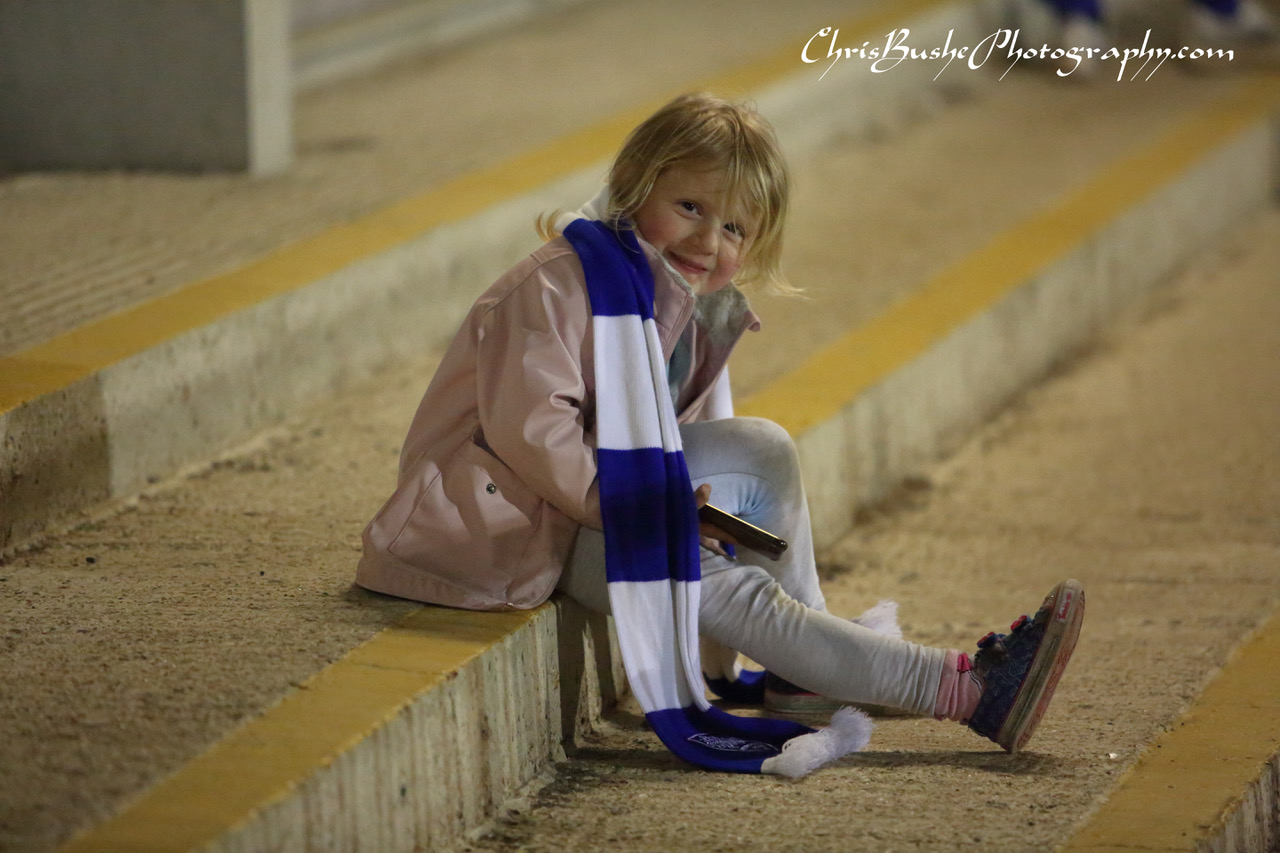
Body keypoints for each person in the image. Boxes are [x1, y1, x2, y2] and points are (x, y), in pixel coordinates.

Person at [356, 92, 1084, 773]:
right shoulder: (555, 287)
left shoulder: (690, 304)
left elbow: (677, 436)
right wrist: (649, 511)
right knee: (712, 580)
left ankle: (804, 670)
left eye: (734, 226)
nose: (708, 239)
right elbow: (532, 434)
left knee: (762, 447)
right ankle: (964, 688)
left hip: (584, 505)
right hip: (504, 524)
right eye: (690, 206)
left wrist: (701, 505)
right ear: (636, 184)